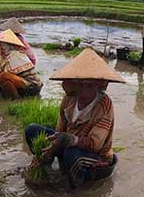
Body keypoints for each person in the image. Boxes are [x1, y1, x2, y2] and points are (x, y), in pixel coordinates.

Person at [25, 48, 125, 187]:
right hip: (68, 145)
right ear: (74, 83)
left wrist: (69, 139)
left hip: (94, 155)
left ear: (99, 85)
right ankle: (45, 166)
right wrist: (49, 150)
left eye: (90, 85)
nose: (84, 89)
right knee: (32, 130)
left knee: (71, 154)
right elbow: (59, 131)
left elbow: (95, 144)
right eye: (80, 84)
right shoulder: (69, 99)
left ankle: (75, 189)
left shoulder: (104, 105)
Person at [0, 29, 42, 98]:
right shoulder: (9, 55)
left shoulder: (14, 54)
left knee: (3, 76)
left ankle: (15, 99)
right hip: (23, 81)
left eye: (1, 46)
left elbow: (7, 73)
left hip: (32, 86)